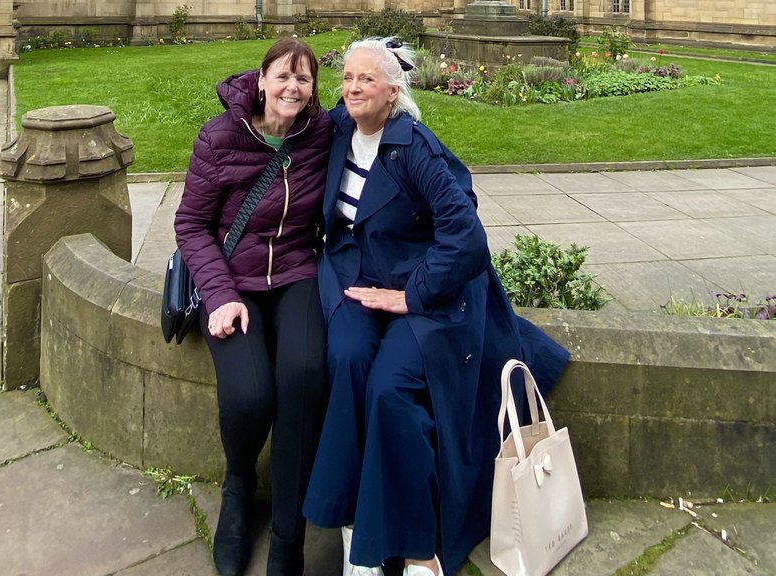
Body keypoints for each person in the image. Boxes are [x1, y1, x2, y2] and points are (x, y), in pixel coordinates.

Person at [303, 37, 570, 576]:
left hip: (424, 292)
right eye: (348, 78)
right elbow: (276, 108)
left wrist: (412, 296)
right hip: (358, 277)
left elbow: (467, 238)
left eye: (367, 80)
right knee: (347, 360)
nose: (354, 88)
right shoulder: (337, 129)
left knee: (388, 390)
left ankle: (419, 552)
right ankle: (356, 524)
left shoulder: (411, 146)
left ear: (393, 91)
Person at [175, 38, 332, 576]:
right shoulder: (220, 137)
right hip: (233, 280)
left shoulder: (321, 134)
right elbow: (191, 225)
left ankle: (289, 532)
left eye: (304, 80)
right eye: (283, 76)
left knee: (307, 374)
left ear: (314, 92)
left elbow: (380, 116)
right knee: (250, 394)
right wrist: (219, 295)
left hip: (296, 274)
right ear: (260, 80)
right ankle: (239, 485)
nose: (293, 87)